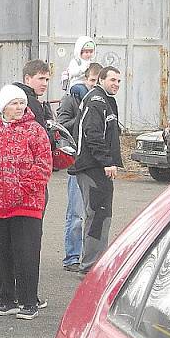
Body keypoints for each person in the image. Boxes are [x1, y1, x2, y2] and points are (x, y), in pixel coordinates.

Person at [0, 85, 53, 320]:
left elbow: (43, 164)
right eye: (14, 103)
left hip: (27, 204)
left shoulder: (35, 130)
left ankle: (28, 301)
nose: (20, 107)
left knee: (27, 253)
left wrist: (23, 189)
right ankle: (6, 298)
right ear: (3, 106)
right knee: (1, 252)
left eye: (22, 103)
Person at [69, 66, 123, 274]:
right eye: (112, 80)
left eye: (119, 81)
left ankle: (95, 263)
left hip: (96, 167)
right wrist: (106, 161)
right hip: (92, 168)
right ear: (101, 80)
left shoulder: (105, 100)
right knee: (97, 216)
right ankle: (91, 266)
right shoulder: (96, 101)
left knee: (100, 216)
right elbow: (92, 134)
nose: (116, 84)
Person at [56, 63, 102, 272]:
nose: (94, 85)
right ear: (85, 78)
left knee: (93, 213)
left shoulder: (102, 102)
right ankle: (71, 257)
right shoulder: (72, 98)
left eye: (97, 81)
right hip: (76, 163)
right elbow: (61, 125)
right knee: (75, 214)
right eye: (92, 80)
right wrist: (83, 117)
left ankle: (89, 257)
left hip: (95, 166)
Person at [15, 59, 54, 130]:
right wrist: (49, 121)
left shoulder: (13, 97)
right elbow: (42, 137)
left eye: (47, 80)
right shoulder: (31, 102)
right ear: (27, 79)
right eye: (41, 78)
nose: (45, 84)